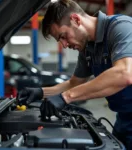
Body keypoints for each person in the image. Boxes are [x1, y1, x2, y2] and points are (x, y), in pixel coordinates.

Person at [17, 0, 132, 149]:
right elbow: (74, 83)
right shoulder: (87, 49)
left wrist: (65, 97)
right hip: (124, 119)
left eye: (63, 36)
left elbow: (124, 73)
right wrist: (40, 92)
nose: (64, 45)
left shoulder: (121, 27)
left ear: (76, 20)